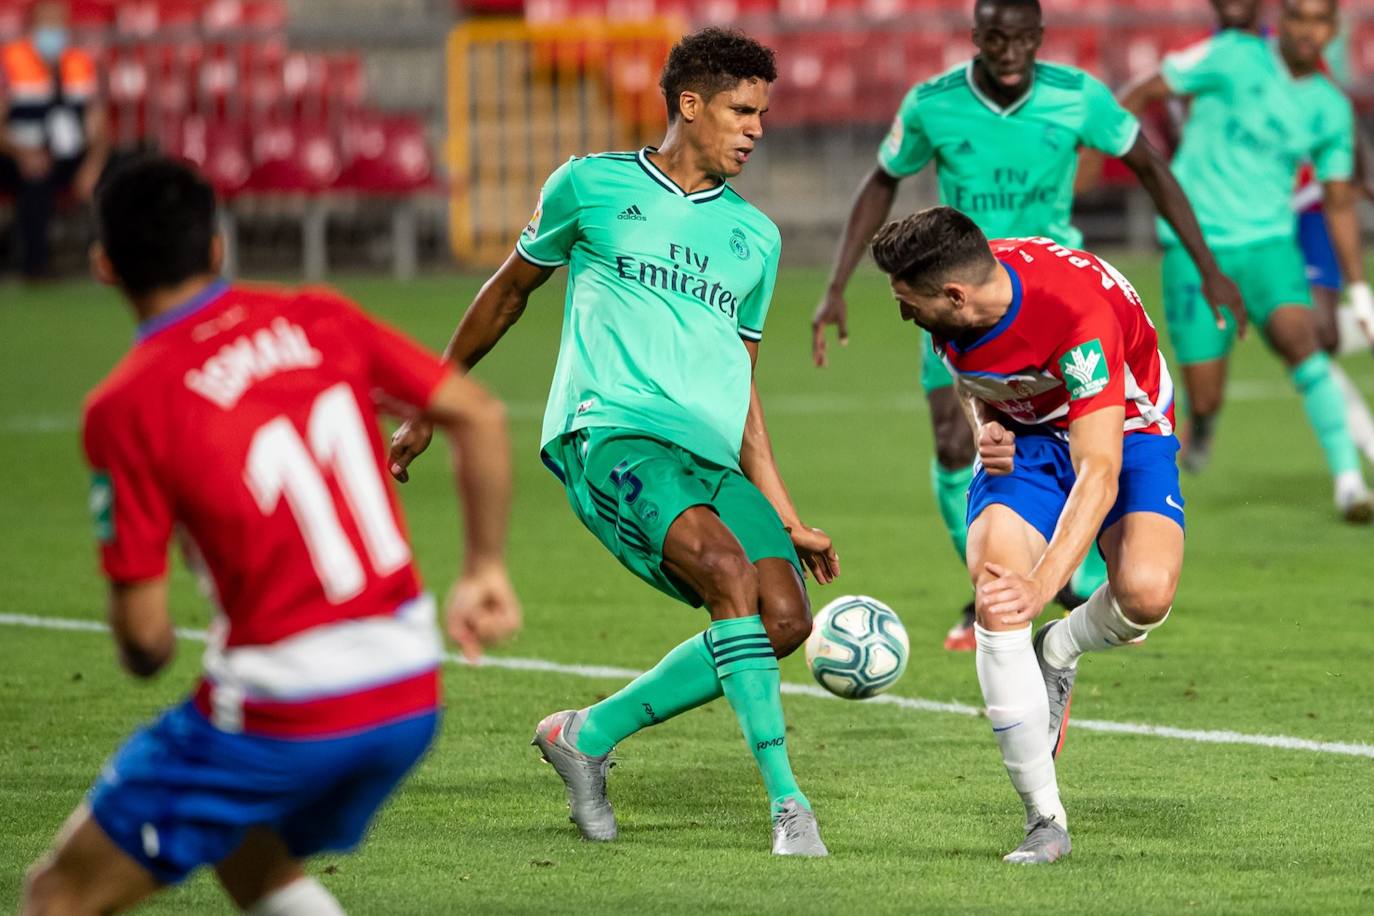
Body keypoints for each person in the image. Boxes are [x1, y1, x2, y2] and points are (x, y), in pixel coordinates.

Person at [21, 156, 520, 915]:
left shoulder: (126, 403)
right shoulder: (322, 318)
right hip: (410, 686)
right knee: (246, 851)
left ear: (103, 266)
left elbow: (149, 645)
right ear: (218, 248)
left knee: (58, 895)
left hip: (286, 710)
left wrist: (138, 638)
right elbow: (478, 415)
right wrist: (484, 567)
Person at [388, 28, 837, 856]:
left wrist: (784, 508)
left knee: (783, 619)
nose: (756, 129)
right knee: (728, 576)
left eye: (763, 114)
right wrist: (429, 402)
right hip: (612, 436)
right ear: (689, 105)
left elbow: (740, 386)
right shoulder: (591, 185)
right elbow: (507, 293)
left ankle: (584, 735)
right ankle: (788, 805)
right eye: (742, 111)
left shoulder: (756, 240)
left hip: (708, 457)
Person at [811, 0, 1240, 650]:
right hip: (958, 304)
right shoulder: (932, 103)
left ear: (1040, 37)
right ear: (975, 36)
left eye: (1021, 37)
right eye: (993, 36)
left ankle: (1066, 578)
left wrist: (1207, 265)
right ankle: (993, 585)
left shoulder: (1080, 97)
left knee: (1080, 440)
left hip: (1055, 306)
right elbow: (882, 180)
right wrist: (837, 284)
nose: (1008, 49)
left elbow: (1151, 166)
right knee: (960, 444)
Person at [872, 207, 1185, 864]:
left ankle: (1059, 649)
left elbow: (1097, 473)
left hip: (1125, 431)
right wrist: (985, 418)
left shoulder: (1075, 318)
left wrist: (1047, 585)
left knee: (1146, 596)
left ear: (954, 295)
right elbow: (971, 369)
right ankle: (1045, 819)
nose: (904, 315)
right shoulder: (962, 288)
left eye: (910, 304)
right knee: (997, 595)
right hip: (1029, 439)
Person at [1120, 0, 1374, 520]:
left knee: (1301, 342)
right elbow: (1147, 90)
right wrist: (1115, 148)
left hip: (1269, 245)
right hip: (1196, 248)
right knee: (1206, 396)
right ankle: (1205, 421)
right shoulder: (1232, 55)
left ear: (1332, 29)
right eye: (1298, 17)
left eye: (1319, 20)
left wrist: (1360, 289)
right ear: (1282, 21)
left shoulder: (1329, 107)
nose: (1308, 30)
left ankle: (1350, 482)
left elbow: (1339, 200)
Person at [0, 0, 110, 278]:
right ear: (30, 26)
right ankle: (36, 267)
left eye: (58, 22)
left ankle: (113, 263)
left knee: (118, 173)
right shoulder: (10, 61)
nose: (53, 30)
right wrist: (22, 153)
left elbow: (99, 124)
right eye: (46, 23)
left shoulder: (79, 62)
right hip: (20, 155)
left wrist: (93, 165)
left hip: (70, 154)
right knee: (36, 179)